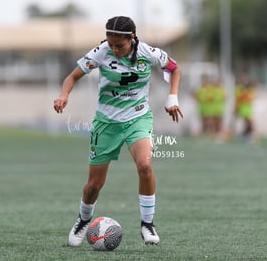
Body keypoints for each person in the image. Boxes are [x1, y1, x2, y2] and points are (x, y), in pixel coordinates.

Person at [53, 16, 183, 246]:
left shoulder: (147, 52)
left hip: (138, 118)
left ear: (132, 38)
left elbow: (174, 68)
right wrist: (64, 95)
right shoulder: (101, 52)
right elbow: (72, 77)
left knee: (145, 165)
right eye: (110, 44)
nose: (114, 49)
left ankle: (147, 224)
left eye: (119, 46)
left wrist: (172, 97)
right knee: (94, 185)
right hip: (106, 123)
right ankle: (83, 220)